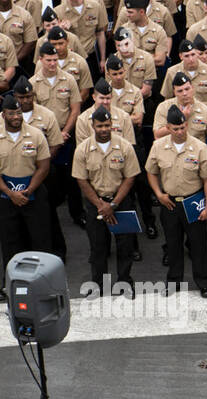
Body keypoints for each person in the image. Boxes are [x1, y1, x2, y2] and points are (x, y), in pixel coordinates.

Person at [0, 94, 52, 302]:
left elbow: (44, 166)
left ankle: (43, 284)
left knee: (40, 240)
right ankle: (9, 284)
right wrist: (11, 193)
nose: (16, 116)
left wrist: (28, 191)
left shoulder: (36, 134)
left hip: (33, 194)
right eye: (12, 113)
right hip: (6, 197)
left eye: (19, 112)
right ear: (3, 115)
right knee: (10, 242)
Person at [145, 104, 207, 297]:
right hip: (170, 204)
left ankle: (204, 282)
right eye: (175, 128)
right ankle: (174, 281)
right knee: (173, 244)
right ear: (168, 128)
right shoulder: (158, 146)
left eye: (183, 127)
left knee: (198, 244)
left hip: (193, 202)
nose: (180, 131)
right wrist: (158, 194)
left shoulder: (199, 147)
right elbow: (151, 172)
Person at [72, 106, 140, 298]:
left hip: (121, 203)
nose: (103, 129)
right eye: (100, 125)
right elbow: (81, 180)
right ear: (92, 125)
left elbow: (130, 178)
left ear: (112, 125)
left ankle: (125, 282)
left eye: (107, 125)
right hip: (96, 205)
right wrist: (101, 205)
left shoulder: (124, 146)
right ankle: (98, 284)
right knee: (98, 247)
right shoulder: (83, 149)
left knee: (125, 246)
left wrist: (114, 204)